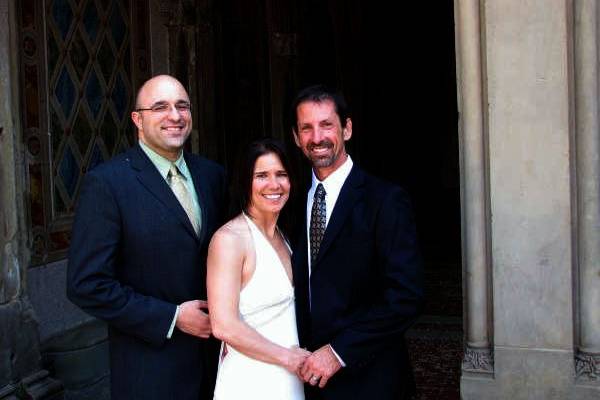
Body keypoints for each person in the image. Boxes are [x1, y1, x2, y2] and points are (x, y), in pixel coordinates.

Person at [67, 75, 227, 400]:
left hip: (216, 365)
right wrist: (172, 318)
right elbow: (86, 284)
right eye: (160, 107)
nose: (175, 116)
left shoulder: (213, 175)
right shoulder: (108, 184)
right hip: (150, 370)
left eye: (182, 106)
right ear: (138, 119)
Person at [290, 85, 424, 400]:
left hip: (370, 378)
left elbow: (407, 296)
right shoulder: (291, 204)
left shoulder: (386, 200)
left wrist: (338, 352)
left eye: (326, 125)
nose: (317, 137)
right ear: (296, 137)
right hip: (306, 379)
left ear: (346, 129)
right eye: (307, 128)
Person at [207, 138, 309, 400]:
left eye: (281, 175)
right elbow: (223, 325)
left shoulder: (285, 236)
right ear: (245, 182)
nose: (274, 185)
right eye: (262, 175)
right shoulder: (230, 239)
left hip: (289, 377)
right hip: (249, 379)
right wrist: (288, 358)